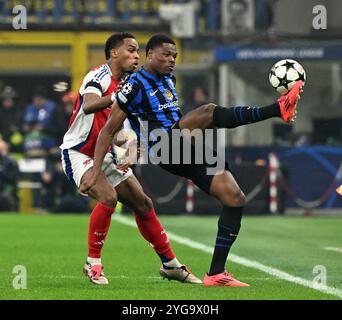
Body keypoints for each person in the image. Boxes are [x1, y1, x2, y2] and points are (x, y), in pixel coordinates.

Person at [81, 34, 304, 287]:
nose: (172, 60)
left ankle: (216, 274)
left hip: (185, 146)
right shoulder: (134, 85)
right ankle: (276, 109)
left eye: (175, 56)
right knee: (208, 110)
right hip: (164, 148)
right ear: (150, 54)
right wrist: (96, 171)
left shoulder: (168, 80)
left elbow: (170, 119)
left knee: (234, 197)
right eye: (166, 54)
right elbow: (109, 130)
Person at [60, 33, 201, 285]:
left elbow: (123, 126)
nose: (136, 56)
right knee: (109, 197)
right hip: (79, 152)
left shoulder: (131, 83)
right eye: (131, 50)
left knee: (143, 202)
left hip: (105, 154)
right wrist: (119, 96)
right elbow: (89, 106)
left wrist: (129, 150)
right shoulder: (98, 76)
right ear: (114, 53)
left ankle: (171, 265)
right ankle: (93, 263)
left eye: (138, 51)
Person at [0, 139, 19, 211]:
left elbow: (13, 177)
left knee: (6, 196)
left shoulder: (12, 162)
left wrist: (2, 170)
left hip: (7, 189)